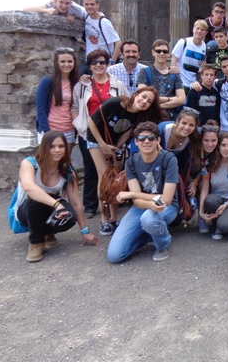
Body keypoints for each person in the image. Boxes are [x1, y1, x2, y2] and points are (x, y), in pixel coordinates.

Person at [86, 86, 165, 236]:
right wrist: (103, 145)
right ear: (136, 94)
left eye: (149, 101)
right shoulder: (115, 103)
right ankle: (104, 218)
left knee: (116, 178)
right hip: (96, 141)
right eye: (143, 97)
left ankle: (114, 217)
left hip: (115, 144)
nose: (144, 102)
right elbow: (91, 122)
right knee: (105, 178)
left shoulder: (139, 115)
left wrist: (117, 148)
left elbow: (127, 132)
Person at [16, 131, 98, 262]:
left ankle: (48, 232)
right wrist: (57, 205)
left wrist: (85, 231)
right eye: (52, 146)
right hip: (27, 209)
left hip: (52, 207)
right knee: (36, 201)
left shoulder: (67, 170)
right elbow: (29, 187)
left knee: (70, 216)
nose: (57, 150)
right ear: (44, 147)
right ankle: (36, 242)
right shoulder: (30, 163)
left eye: (61, 146)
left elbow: (76, 203)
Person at [107, 122, 180, 263]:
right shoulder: (131, 162)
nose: (146, 141)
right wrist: (148, 204)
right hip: (141, 207)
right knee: (115, 255)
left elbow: (166, 199)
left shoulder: (169, 159)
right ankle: (151, 233)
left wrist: (132, 194)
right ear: (136, 142)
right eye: (141, 138)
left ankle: (162, 245)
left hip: (167, 207)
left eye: (151, 138)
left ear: (158, 140)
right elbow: (136, 202)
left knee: (149, 219)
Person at [71, 49, 128, 221]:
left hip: (112, 134)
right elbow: (74, 107)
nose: (98, 65)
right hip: (90, 134)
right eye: (94, 63)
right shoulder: (82, 86)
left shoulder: (117, 84)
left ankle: (113, 211)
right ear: (89, 66)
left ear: (108, 64)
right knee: (95, 172)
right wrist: (79, 125)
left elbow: (127, 106)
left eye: (102, 62)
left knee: (113, 173)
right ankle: (95, 209)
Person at [198, 131, 228, 240]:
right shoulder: (209, 162)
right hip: (216, 199)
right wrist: (200, 212)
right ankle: (214, 221)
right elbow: (205, 189)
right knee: (209, 201)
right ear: (218, 146)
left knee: (225, 226)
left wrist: (227, 204)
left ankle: (222, 224)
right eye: (223, 145)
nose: (226, 149)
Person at [35, 47, 79, 149]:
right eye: (62, 61)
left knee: (65, 159)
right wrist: (47, 132)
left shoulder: (76, 83)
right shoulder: (47, 81)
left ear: (74, 63)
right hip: (50, 129)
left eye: (69, 61)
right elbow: (40, 109)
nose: (66, 64)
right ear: (56, 63)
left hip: (69, 130)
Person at [138, 39, 186, 119]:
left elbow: (182, 99)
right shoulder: (144, 72)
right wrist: (170, 99)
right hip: (149, 117)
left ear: (169, 54)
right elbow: (143, 96)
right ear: (153, 52)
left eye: (165, 51)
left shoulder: (174, 73)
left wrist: (158, 106)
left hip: (170, 118)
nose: (162, 54)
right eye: (158, 51)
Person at [82, 0, 122, 66]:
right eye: (86, 4)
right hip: (89, 60)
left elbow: (118, 43)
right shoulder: (86, 16)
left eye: (92, 4)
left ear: (97, 5)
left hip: (102, 62)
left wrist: (112, 61)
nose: (89, 7)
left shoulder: (104, 22)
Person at [171, 19, 208, 93]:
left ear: (206, 33)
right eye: (197, 28)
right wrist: (177, 80)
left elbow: (202, 67)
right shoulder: (183, 42)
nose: (199, 31)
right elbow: (173, 62)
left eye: (202, 30)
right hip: (180, 83)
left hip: (194, 85)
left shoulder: (205, 48)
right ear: (193, 29)